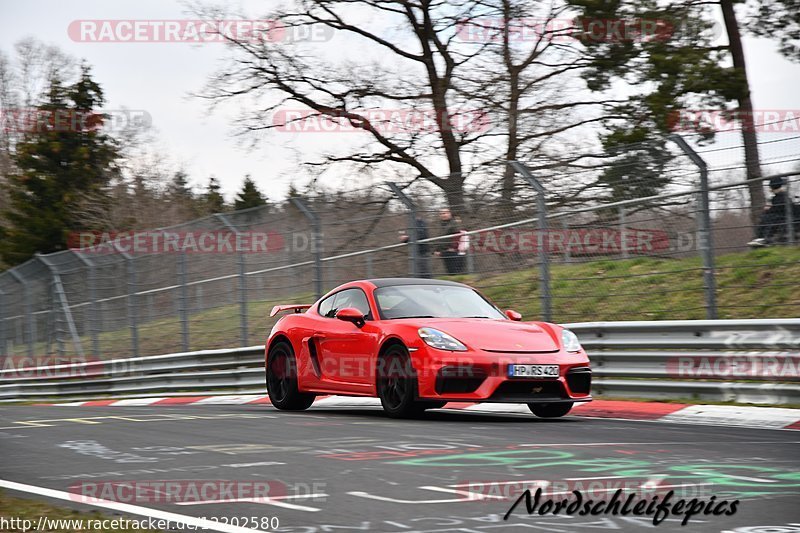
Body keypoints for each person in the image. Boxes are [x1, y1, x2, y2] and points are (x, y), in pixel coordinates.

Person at [748, 177, 796, 247]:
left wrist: (768, 210)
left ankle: (763, 239)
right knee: (766, 218)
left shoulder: (781, 197)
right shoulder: (781, 196)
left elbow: (778, 208)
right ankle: (761, 238)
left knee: (767, 219)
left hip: (782, 216)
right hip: (779, 216)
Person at [434, 208, 469, 274]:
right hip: (445, 251)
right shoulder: (442, 225)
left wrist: (453, 248)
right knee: (450, 272)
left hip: (454, 251)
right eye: (441, 214)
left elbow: (459, 236)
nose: (443, 215)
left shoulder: (455, 223)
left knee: (456, 272)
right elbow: (441, 238)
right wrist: (438, 249)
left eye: (445, 213)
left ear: (450, 213)